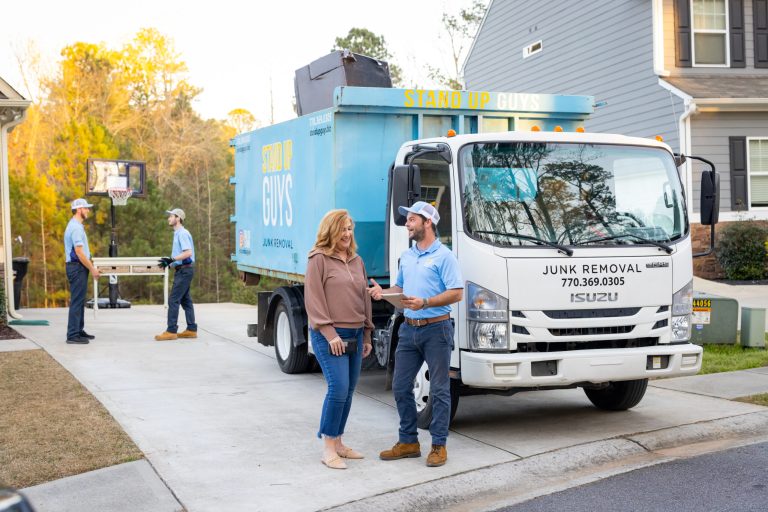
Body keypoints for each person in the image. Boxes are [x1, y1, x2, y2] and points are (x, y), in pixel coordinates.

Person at [368, 201, 463, 468]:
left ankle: (438, 446)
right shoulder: (408, 256)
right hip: (409, 329)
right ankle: (409, 442)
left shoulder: (445, 256)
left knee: (441, 390)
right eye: (407, 220)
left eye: (411, 220)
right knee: (400, 386)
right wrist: (382, 293)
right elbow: (400, 286)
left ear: (427, 222)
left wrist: (426, 302)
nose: (407, 224)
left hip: (437, 329)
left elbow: (456, 292)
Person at [305, 209, 374, 470]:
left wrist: (367, 332)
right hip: (330, 335)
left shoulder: (357, 260)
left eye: (350, 228)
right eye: (342, 229)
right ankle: (328, 448)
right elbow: (313, 300)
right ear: (330, 230)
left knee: (349, 391)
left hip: (356, 334)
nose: (347, 234)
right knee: (338, 389)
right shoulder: (318, 259)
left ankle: (340, 443)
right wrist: (330, 333)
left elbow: (364, 298)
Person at [155, 208, 197, 341]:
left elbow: (188, 253)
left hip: (184, 271)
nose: (168, 218)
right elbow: (180, 256)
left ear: (178, 218)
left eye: (171, 216)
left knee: (173, 300)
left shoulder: (182, 233)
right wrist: (169, 264)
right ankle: (191, 329)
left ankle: (171, 331)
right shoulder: (178, 233)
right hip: (183, 269)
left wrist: (172, 260)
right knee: (186, 300)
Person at [64, 198, 101, 344]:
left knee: (79, 301)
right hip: (77, 268)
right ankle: (72, 335)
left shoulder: (76, 225)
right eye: (86, 208)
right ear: (79, 210)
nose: (88, 211)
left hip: (79, 268)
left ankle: (78, 330)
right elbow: (79, 252)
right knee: (77, 301)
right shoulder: (76, 228)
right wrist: (92, 269)